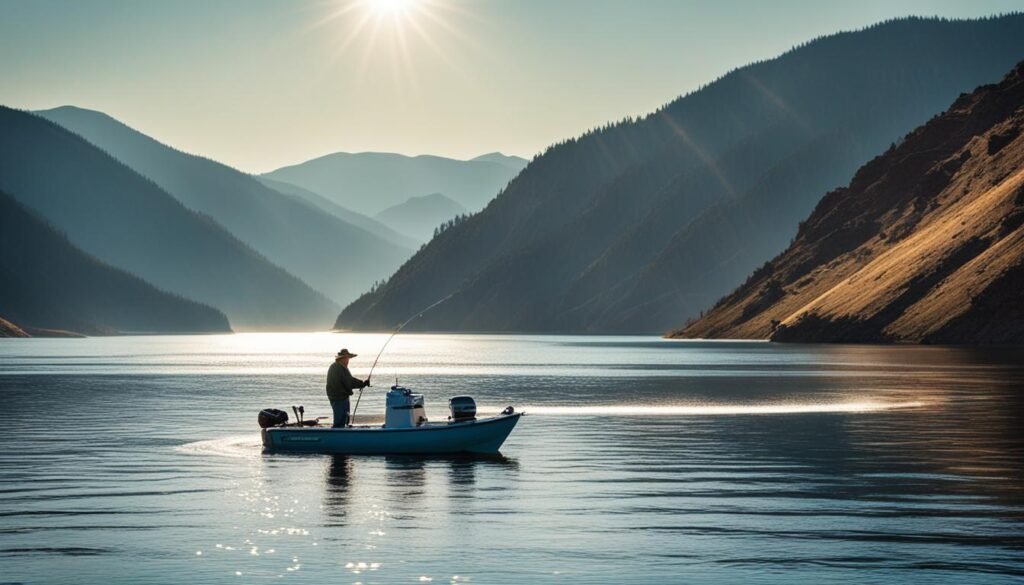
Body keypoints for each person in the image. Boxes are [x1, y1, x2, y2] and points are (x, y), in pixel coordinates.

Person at [326, 349, 370, 428]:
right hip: (338, 398)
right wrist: (362, 383)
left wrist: (362, 383)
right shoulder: (338, 368)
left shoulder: (339, 366)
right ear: (342, 359)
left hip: (340, 397)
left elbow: (349, 380)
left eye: (348, 358)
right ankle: (337, 435)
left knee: (344, 419)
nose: (348, 361)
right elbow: (349, 381)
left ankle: (342, 432)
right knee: (340, 421)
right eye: (347, 358)